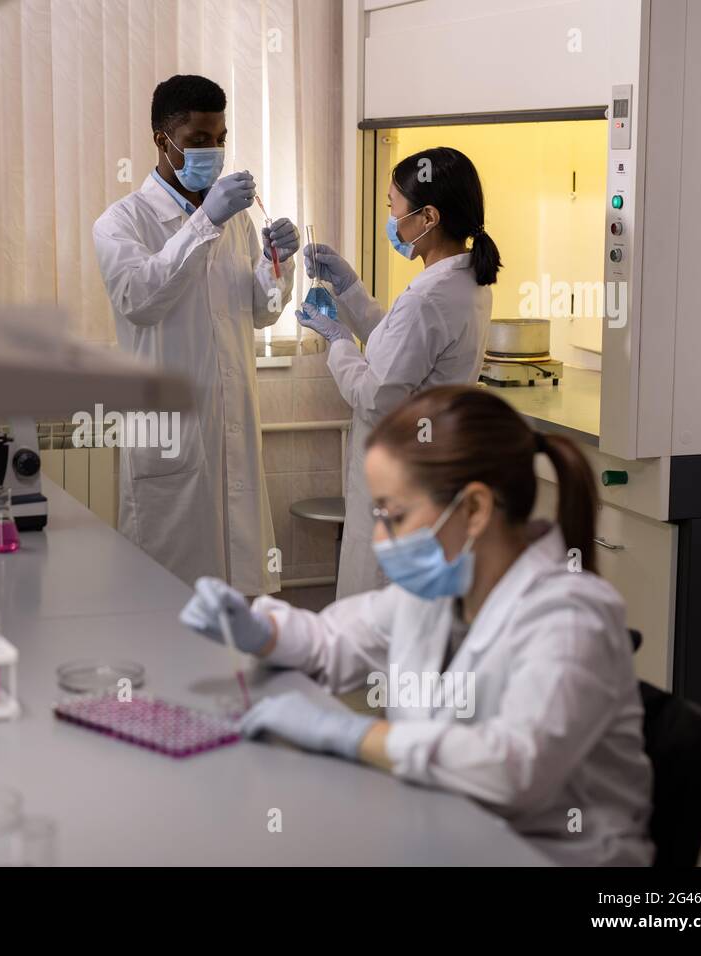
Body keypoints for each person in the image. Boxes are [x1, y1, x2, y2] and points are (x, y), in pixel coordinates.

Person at [180, 386, 654, 866]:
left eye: (395, 515)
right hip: (441, 832)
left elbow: (513, 770)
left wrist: (348, 735)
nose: (381, 537)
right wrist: (261, 631)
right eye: (378, 515)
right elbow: (334, 642)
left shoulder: (571, 618)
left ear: (473, 510)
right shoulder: (437, 594)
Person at [93, 75, 299, 596]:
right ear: (163, 140)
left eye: (221, 138)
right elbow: (140, 299)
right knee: (165, 606)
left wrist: (279, 263)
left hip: (230, 428)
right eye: (200, 140)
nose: (215, 152)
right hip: (169, 439)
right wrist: (204, 220)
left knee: (235, 607)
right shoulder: (121, 223)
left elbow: (260, 313)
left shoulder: (235, 223)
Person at [301, 146, 497, 598]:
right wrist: (348, 288)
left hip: (402, 479)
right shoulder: (462, 281)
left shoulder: (429, 295)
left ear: (428, 216)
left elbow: (377, 395)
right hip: (428, 471)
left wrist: (337, 342)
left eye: (393, 206)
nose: (390, 218)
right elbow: (401, 345)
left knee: (378, 614)